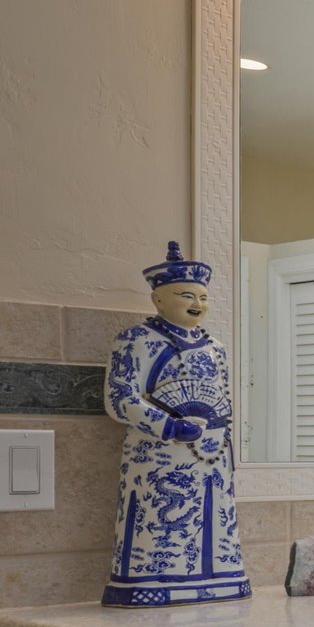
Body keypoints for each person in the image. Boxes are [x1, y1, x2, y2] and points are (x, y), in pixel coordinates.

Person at [101, 241, 252, 607]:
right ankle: (149, 582)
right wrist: (168, 426)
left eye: (203, 297)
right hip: (159, 455)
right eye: (187, 295)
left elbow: (223, 403)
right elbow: (120, 398)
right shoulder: (136, 340)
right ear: (159, 300)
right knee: (158, 519)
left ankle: (221, 576)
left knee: (216, 519)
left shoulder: (216, 347)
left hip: (210, 454)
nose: (198, 304)